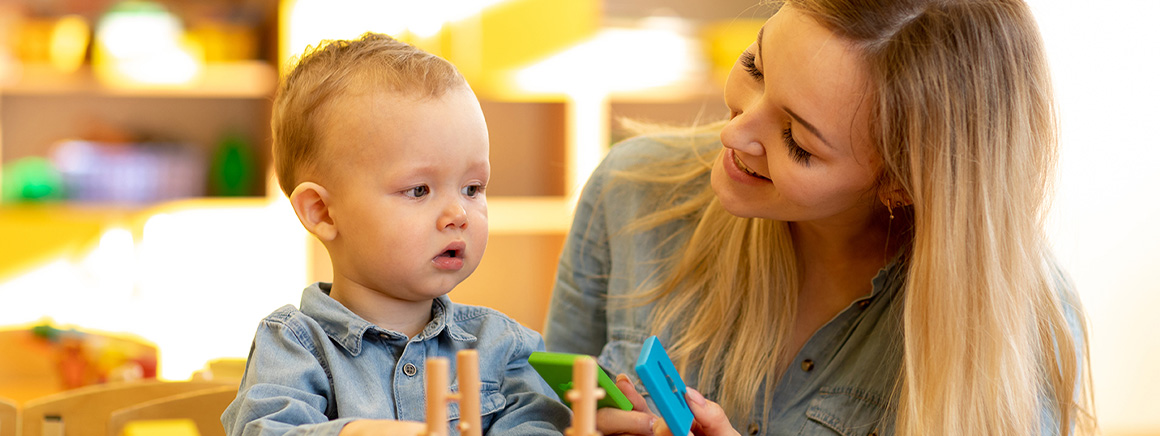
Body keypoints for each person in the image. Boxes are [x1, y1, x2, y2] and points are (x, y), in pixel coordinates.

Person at [543, 0, 1094, 435]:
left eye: (798, 141)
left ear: (900, 183)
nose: (732, 134)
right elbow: (541, 414)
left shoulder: (1018, 322)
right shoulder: (630, 192)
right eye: (755, 64)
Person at [222, 33, 571, 436]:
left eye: (472, 188)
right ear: (321, 211)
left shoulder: (504, 346)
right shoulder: (294, 346)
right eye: (419, 190)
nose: (458, 214)